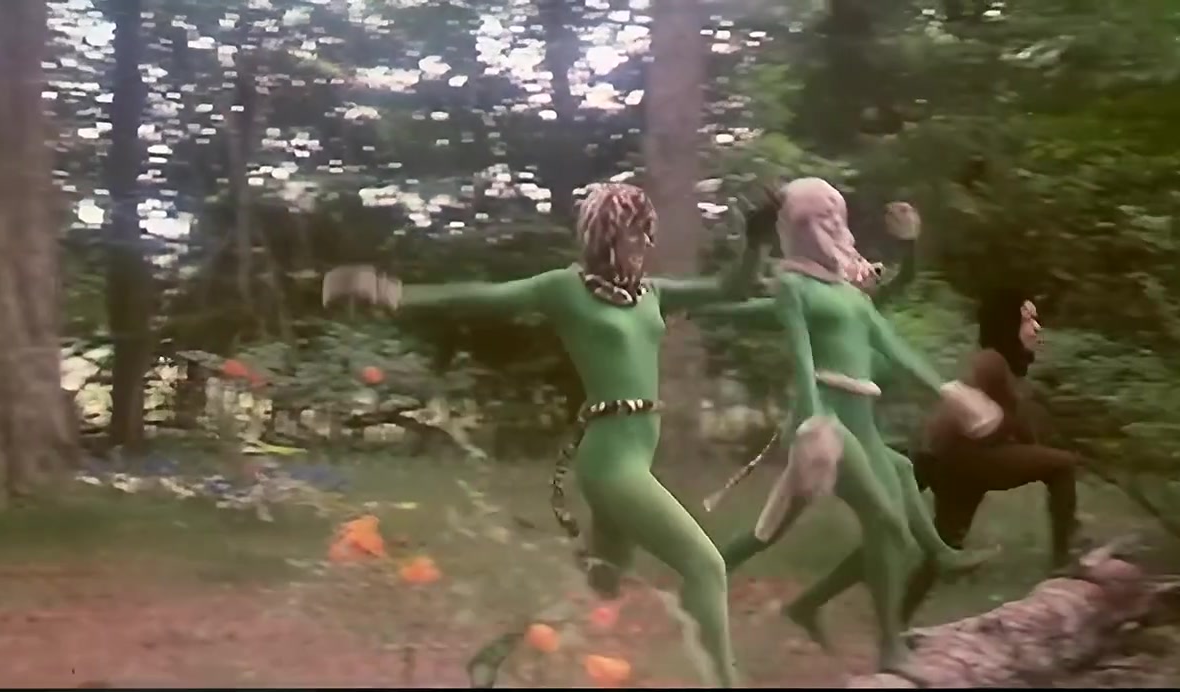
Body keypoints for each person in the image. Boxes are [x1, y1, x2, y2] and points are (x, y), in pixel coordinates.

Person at [319, 182, 769, 688]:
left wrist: (756, 241)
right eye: (635, 234)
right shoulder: (566, 289)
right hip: (612, 465)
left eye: (647, 234)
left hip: (634, 456)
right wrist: (393, 293)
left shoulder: (653, 293)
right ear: (606, 237)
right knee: (706, 567)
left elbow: (730, 288)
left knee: (600, 584)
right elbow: (485, 297)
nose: (645, 244)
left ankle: (494, 658)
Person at [692, 177, 1001, 671]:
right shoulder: (792, 286)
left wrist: (950, 392)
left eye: (838, 215)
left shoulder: (854, 299)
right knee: (886, 524)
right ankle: (891, 645)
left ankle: (721, 577)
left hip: (861, 424)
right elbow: (800, 354)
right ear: (800, 227)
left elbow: (896, 350)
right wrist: (814, 421)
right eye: (823, 217)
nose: (836, 226)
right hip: (825, 422)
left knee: (776, 528)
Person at [900, 288, 1082, 623]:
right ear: (1006, 324)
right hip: (966, 459)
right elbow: (970, 411)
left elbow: (1017, 426)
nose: (1037, 327)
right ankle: (1062, 561)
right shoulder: (992, 362)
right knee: (1063, 466)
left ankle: (896, 624)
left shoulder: (1004, 366)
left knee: (945, 547)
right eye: (1028, 319)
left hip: (955, 464)